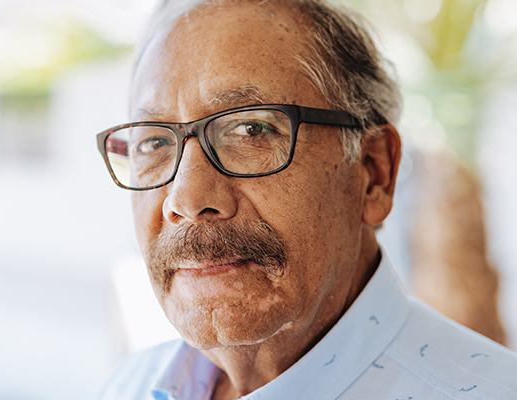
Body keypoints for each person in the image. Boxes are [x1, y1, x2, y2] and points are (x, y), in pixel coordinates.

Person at [94, 0, 517, 399]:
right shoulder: (127, 386)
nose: (186, 199)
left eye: (252, 130)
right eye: (152, 142)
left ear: (374, 173)